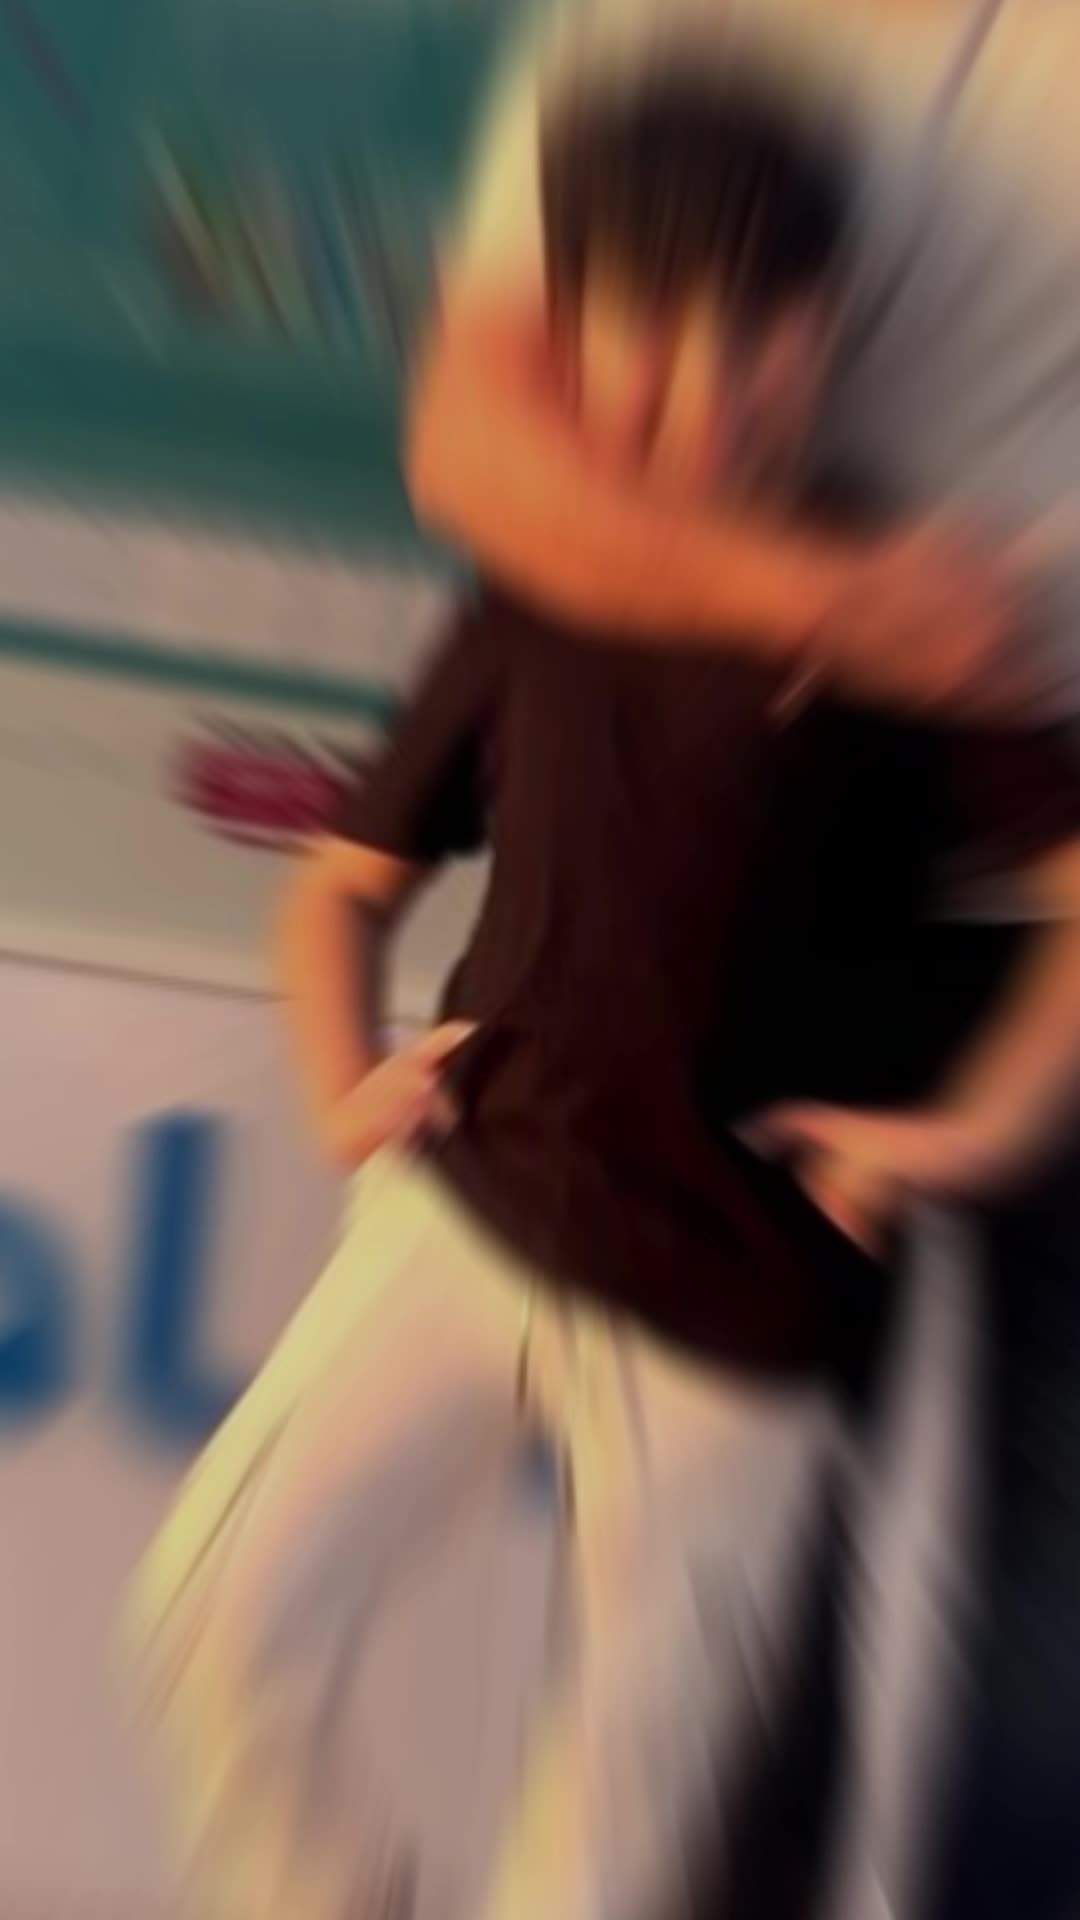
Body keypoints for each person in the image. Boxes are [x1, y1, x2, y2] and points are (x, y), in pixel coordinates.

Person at [275, 71, 1080, 1920]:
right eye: (648, 341)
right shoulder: (543, 584)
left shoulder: (915, 609)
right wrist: (343, 1083)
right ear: (565, 332)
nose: (699, 402)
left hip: (741, 1313)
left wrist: (978, 1126)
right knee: (227, 1627)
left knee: (697, 1795)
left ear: (827, 331)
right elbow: (340, 884)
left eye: (752, 344)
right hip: (485, 1217)